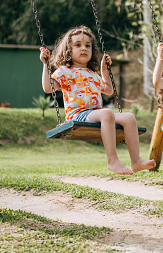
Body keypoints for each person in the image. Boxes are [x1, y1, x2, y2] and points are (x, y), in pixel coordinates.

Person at [40, 25, 156, 175]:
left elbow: (108, 89)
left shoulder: (92, 74)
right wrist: (45, 65)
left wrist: (104, 70)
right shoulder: (64, 71)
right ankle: (112, 160)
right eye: (78, 45)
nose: (84, 48)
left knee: (129, 117)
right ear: (68, 50)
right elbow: (48, 88)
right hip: (78, 114)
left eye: (88, 45)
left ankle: (136, 161)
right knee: (106, 113)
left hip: (96, 114)